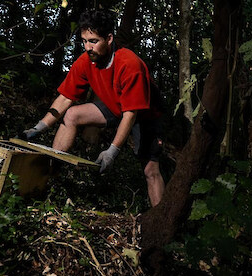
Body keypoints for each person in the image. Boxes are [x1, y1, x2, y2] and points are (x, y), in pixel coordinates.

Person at [21, 9, 165, 206]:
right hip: (114, 106)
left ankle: (161, 223)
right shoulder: (85, 60)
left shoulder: (129, 64)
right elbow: (65, 98)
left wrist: (111, 152)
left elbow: (130, 114)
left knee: (150, 170)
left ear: (109, 38)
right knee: (71, 114)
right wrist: (38, 128)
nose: (87, 47)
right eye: (84, 41)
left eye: (93, 41)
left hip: (144, 114)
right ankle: (48, 181)